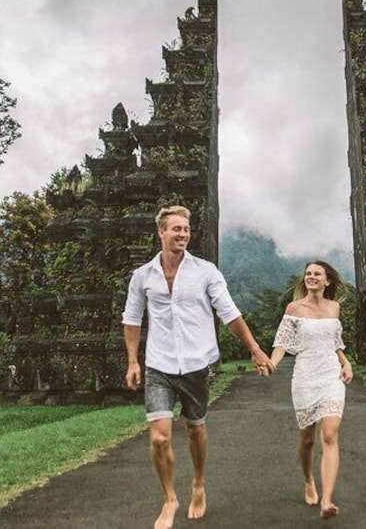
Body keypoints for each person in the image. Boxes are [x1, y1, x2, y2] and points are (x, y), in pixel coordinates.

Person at [122, 205, 274, 529]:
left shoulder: (206, 272)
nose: (182, 234)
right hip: (158, 365)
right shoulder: (142, 277)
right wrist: (133, 360)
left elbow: (229, 313)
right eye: (175, 228)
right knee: (160, 438)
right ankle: (169, 499)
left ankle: (199, 483)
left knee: (195, 429)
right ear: (161, 232)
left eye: (186, 229)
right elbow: (132, 320)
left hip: (195, 365)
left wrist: (255, 349)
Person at [270, 260, 353, 519]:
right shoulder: (294, 308)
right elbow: (282, 342)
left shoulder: (334, 307)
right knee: (307, 438)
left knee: (329, 434)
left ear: (327, 281)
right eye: (308, 273)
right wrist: (271, 363)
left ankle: (327, 500)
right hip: (305, 376)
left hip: (331, 376)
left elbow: (335, 341)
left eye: (317, 274)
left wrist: (346, 362)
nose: (311, 277)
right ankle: (308, 479)